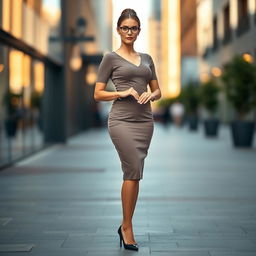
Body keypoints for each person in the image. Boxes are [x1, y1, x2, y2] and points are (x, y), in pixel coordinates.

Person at [94, 8, 161, 251]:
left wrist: (150, 94)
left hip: (145, 121)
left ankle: (125, 224)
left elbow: (158, 90)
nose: (129, 32)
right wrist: (121, 92)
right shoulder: (110, 58)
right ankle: (127, 227)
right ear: (118, 30)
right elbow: (97, 93)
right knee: (132, 168)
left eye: (133, 28)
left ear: (139, 30)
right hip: (121, 121)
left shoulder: (147, 58)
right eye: (125, 28)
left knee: (135, 172)